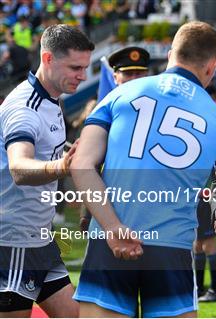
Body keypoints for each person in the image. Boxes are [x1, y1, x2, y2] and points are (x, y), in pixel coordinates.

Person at [70, 21, 216, 317]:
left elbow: (81, 164)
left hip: (110, 241)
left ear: (169, 55)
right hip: (171, 249)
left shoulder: (119, 94)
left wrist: (112, 227)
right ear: (213, 66)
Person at [0, 24, 94, 317]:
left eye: (85, 67)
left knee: (76, 314)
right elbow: (19, 166)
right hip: (13, 241)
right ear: (48, 59)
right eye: (75, 67)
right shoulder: (24, 109)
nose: (82, 75)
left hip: (39, 239)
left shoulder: (50, 100)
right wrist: (61, 166)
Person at [79, 46, 151, 232]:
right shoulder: (104, 113)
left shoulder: (161, 111)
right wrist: (87, 212)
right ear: (114, 77)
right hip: (111, 203)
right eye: (128, 74)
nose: (134, 79)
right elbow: (90, 164)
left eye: (139, 73)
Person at [194, 174, 216, 303]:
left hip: (205, 203)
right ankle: (198, 289)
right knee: (197, 246)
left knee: (208, 246)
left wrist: (206, 192)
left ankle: (214, 291)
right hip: (195, 204)